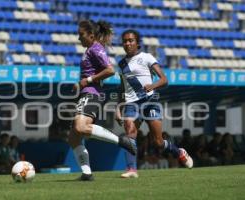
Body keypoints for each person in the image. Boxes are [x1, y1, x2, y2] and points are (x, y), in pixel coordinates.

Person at [116, 29, 193, 178]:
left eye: (131, 40)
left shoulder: (146, 57)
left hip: (150, 101)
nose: (127, 43)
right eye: (125, 41)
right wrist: (118, 108)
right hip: (131, 103)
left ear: (137, 43)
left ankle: (179, 152)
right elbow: (122, 87)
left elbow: (164, 79)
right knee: (130, 134)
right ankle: (131, 169)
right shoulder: (121, 63)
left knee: (158, 142)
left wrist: (152, 86)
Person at [68, 20, 137, 181]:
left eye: (81, 35)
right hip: (87, 93)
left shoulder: (96, 48)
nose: (79, 39)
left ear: (91, 35)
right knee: (73, 138)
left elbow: (110, 70)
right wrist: (81, 84)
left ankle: (121, 141)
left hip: (92, 94)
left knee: (80, 127)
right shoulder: (90, 49)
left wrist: (88, 80)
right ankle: (87, 174)